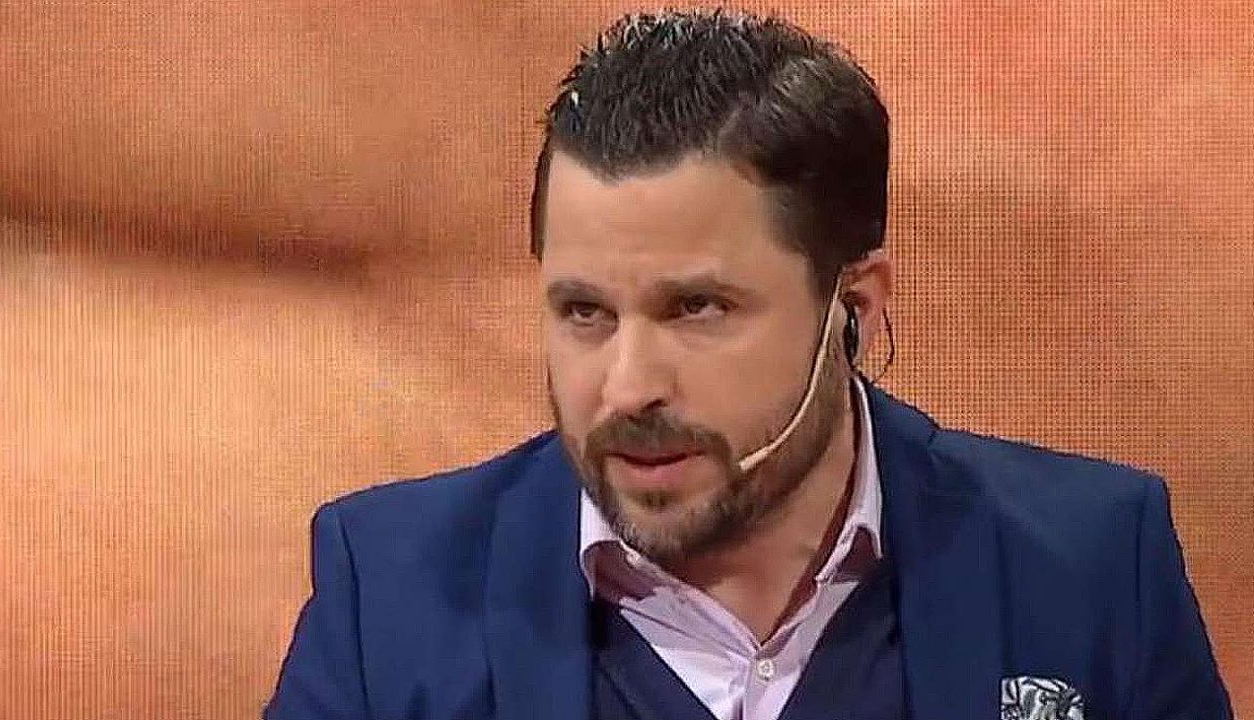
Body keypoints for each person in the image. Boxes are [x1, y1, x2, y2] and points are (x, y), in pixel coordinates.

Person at [263, 9, 1232, 720]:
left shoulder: (1091, 571)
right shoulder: (386, 599)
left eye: (697, 309)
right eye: (584, 312)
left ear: (852, 307)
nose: (628, 386)